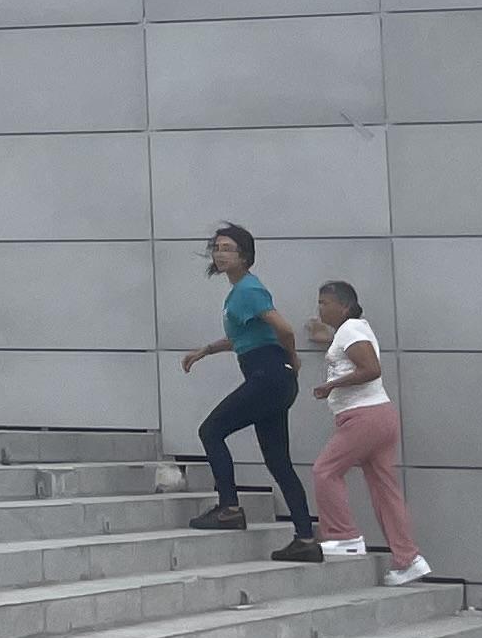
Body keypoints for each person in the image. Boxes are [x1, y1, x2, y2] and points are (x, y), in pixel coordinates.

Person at [175, 222, 320, 562]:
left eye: (228, 248)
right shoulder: (240, 292)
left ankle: (229, 507)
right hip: (272, 378)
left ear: (245, 256)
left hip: (268, 376)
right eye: (217, 248)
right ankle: (305, 539)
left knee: (211, 431)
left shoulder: (248, 290)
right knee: (278, 462)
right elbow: (243, 338)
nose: (220, 254)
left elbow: (284, 329)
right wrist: (205, 350)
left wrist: (293, 358)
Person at [308, 278, 433, 585]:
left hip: (363, 417)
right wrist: (324, 337)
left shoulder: (351, 329)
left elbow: (371, 369)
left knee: (325, 471)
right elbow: (350, 354)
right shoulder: (352, 330)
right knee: (384, 491)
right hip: (379, 416)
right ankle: (408, 559)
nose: (320, 308)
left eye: (325, 303)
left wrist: (330, 385)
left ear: (344, 306)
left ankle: (344, 537)